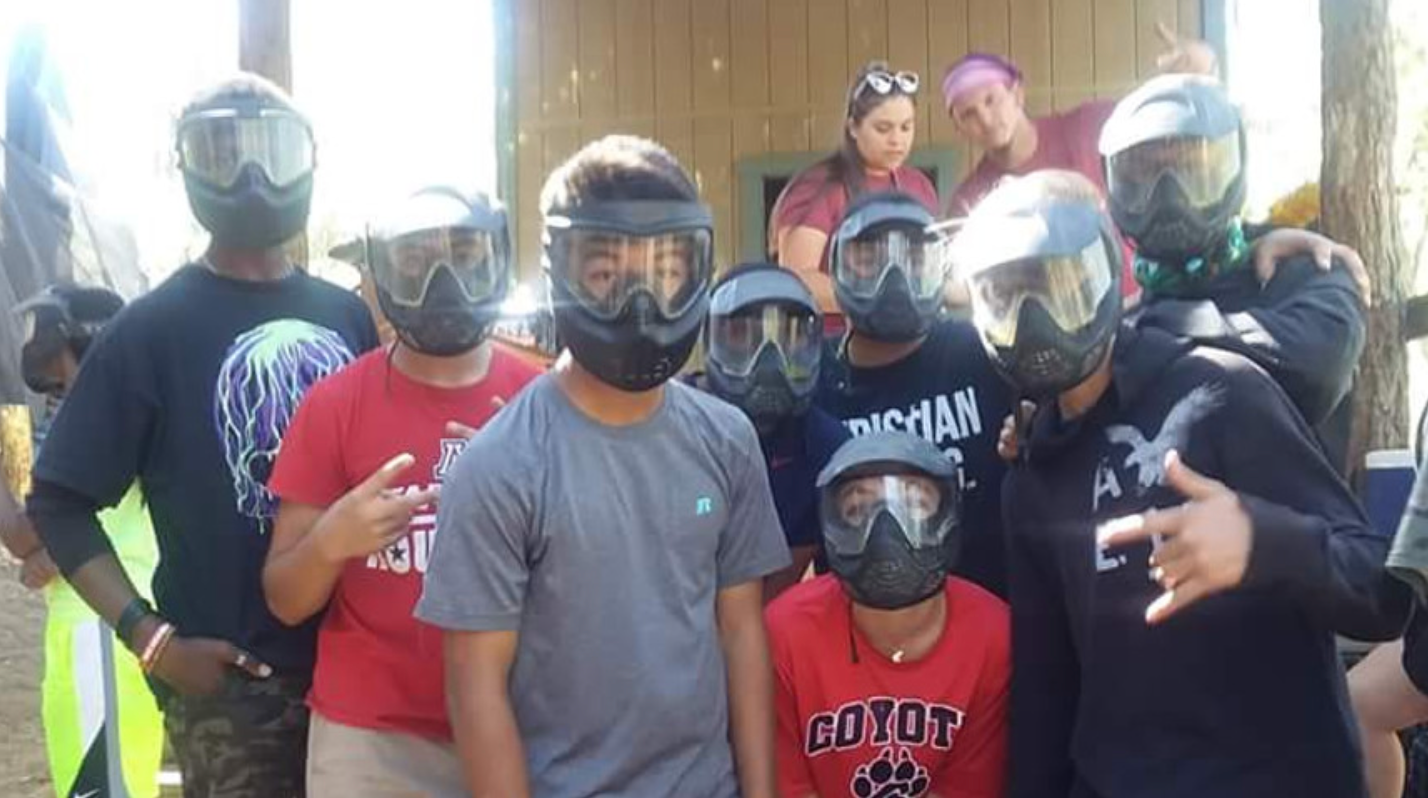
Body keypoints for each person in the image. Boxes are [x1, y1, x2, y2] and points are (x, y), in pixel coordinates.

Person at [955, 169, 1408, 798]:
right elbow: (1046, 697)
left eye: (1055, 287)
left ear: (1106, 277)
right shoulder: (1031, 474)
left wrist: (1263, 542)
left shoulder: (1218, 392)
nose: (1035, 319)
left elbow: (1382, 593)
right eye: (1007, 297)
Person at [27, 73, 379, 798]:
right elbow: (58, 501)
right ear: (185, 166)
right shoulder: (150, 330)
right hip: (238, 690)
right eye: (222, 153)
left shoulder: (347, 317)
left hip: (361, 672)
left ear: (308, 163)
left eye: (272, 154)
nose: (251, 177)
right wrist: (152, 640)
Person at [415, 135, 789, 797]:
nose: (641, 299)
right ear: (561, 270)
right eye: (605, 273)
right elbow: (475, 689)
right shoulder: (501, 465)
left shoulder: (727, 439)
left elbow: (740, 633)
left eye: (667, 269)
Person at [261, 188, 541, 796]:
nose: (443, 279)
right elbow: (285, 598)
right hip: (372, 740)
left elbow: (588, 583)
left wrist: (531, 499)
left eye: (466, 254)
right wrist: (334, 539)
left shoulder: (539, 402)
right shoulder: (335, 405)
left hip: (519, 721)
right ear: (382, 272)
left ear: (498, 259)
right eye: (414, 261)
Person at [1100, 74, 1367, 469]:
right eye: (1143, 176)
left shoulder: (1310, 274)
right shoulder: (1117, 331)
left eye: (1193, 169)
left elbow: (1313, 372)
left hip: (1295, 530)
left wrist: (1144, 329)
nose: (1170, 198)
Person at [768, 430, 1008, 798]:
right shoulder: (784, 632)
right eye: (858, 509)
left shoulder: (994, 634)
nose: (885, 530)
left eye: (913, 504)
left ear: (949, 512)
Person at [0, 285, 165, 798]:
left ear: (70, 340)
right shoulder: (128, 412)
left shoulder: (96, 421)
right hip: (109, 625)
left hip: (100, 633)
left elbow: (23, 537)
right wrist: (47, 555)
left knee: (105, 788)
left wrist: (43, 551)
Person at [815, 190, 1013, 597]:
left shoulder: (985, 352)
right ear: (836, 270)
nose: (895, 276)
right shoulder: (812, 380)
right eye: (869, 259)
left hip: (990, 624)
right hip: (861, 628)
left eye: (916, 258)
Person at [700, 262, 850, 599]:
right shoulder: (676, 426)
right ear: (710, 340)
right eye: (743, 334)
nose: (769, 359)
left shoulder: (826, 447)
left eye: (789, 336)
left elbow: (772, 595)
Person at [772, 61, 938, 324]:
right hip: (835, 346)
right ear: (852, 127)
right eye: (883, 129)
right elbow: (798, 277)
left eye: (906, 127)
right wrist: (873, 303)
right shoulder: (819, 187)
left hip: (912, 338)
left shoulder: (919, 186)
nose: (897, 139)